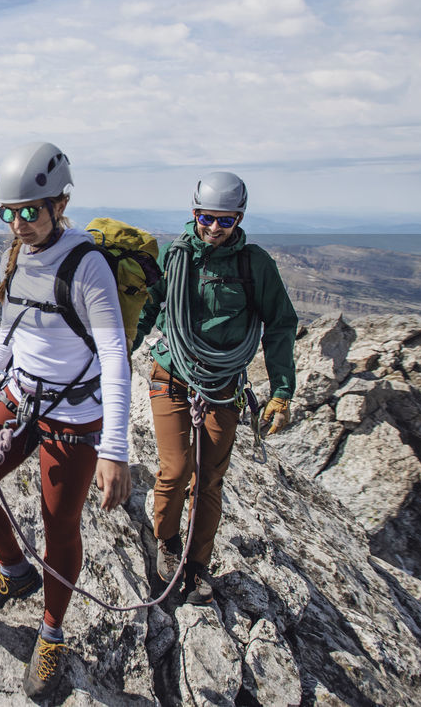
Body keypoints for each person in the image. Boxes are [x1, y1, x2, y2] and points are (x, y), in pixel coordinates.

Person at [0, 142, 132, 699]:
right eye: (9, 213)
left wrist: (116, 450)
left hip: (74, 414)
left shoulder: (86, 266)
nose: (19, 223)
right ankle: (14, 570)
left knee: (59, 525)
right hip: (22, 396)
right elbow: (10, 332)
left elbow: (116, 359)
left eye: (31, 211)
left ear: (60, 203)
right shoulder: (20, 255)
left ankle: (51, 633)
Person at [134, 171, 297, 605]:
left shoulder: (255, 264)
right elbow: (148, 308)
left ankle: (197, 564)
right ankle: (166, 545)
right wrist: (112, 359)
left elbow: (280, 325)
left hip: (222, 385)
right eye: (207, 218)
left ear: (239, 219)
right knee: (175, 468)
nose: (213, 229)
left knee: (209, 480)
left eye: (225, 221)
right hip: (171, 373)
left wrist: (281, 390)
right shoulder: (175, 256)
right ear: (194, 213)